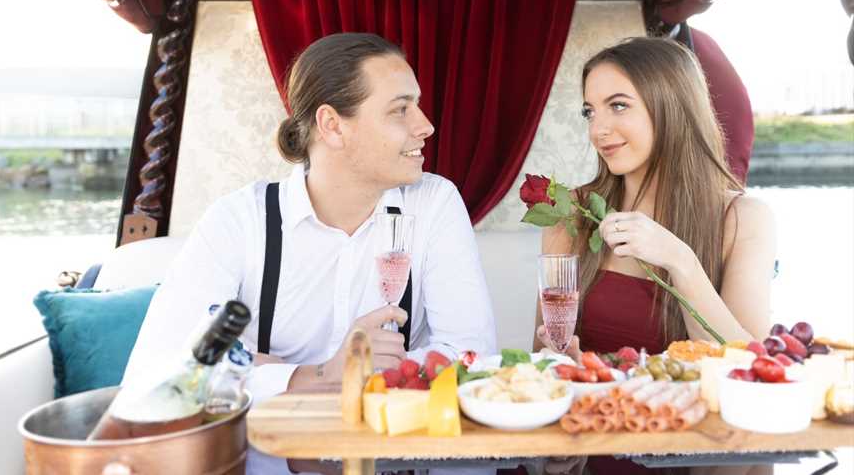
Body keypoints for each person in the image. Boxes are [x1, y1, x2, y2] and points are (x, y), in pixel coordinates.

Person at [124, 32, 497, 404]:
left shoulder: (434, 204)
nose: (425, 125)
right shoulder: (237, 221)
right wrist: (313, 375)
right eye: (400, 109)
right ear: (332, 125)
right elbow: (162, 368)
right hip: (273, 459)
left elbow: (473, 355)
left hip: (390, 455)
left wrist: (263, 371)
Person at [534, 36, 776, 358]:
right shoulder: (573, 211)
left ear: (673, 106)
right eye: (589, 112)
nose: (597, 130)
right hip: (592, 406)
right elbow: (538, 362)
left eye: (618, 105)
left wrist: (681, 261)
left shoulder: (744, 218)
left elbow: (750, 366)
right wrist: (562, 361)